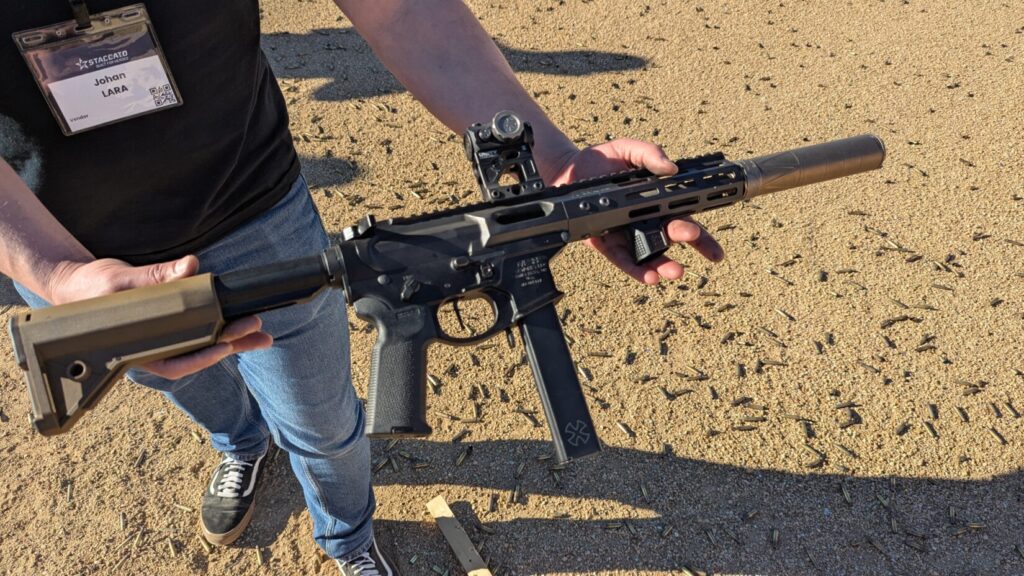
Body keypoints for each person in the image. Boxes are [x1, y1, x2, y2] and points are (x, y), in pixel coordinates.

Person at [0, 1, 723, 573]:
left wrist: (558, 162)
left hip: (257, 207)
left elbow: (401, 8)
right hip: (68, 256)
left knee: (322, 418)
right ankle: (242, 445)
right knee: (189, 387)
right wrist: (55, 273)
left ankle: (347, 538)